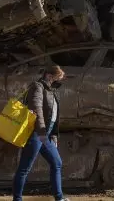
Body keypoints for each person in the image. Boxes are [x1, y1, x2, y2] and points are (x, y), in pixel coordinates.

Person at [13, 65, 69, 201]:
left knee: (57, 163)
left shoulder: (51, 91)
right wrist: (42, 132)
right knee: (24, 168)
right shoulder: (38, 87)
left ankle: (59, 198)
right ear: (49, 76)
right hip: (37, 133)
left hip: (46, 135)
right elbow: (37, 109)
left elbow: (53, 116)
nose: (57, 82)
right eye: (56, 79)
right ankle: (17, 199)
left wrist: (53, 135)